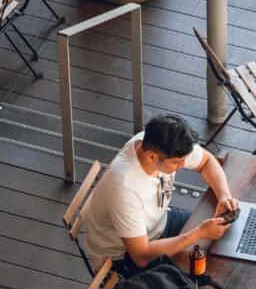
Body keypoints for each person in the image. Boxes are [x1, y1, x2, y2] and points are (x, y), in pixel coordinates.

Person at [84, 114, 239, 276]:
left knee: (225, 237)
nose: (182, 166)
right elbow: (141, 256)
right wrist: (198, 233)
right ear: (152, 156)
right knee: (201, 276)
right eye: (176, 163)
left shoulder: (157, 143)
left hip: (159, 224)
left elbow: (207, 161)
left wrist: (224, 195)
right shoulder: (125, 189)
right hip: (123, 258)